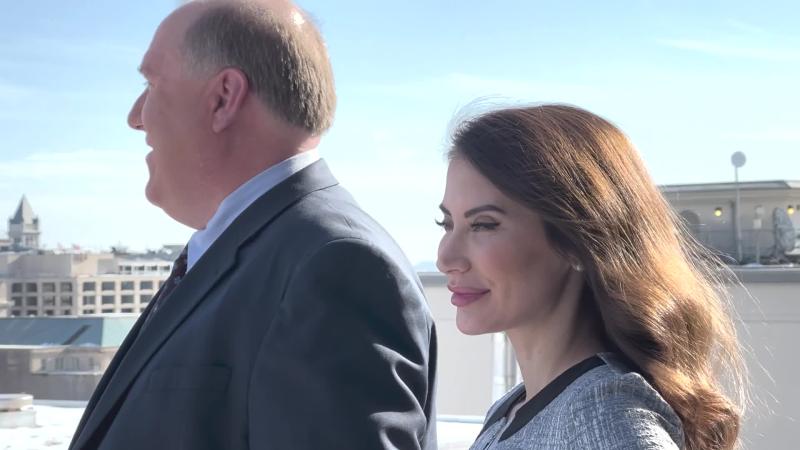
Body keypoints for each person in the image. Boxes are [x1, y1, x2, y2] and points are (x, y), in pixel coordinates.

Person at [69, 1, 436, 449]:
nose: (135, 116)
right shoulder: (269, 253)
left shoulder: (335, 266)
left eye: (151, 84)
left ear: (223, 98)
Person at [436, 104, 745, 449]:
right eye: (447, 224)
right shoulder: (511, 409)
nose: (445, 258)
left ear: (577, 241)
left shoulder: (605, 417)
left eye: (483, 225)